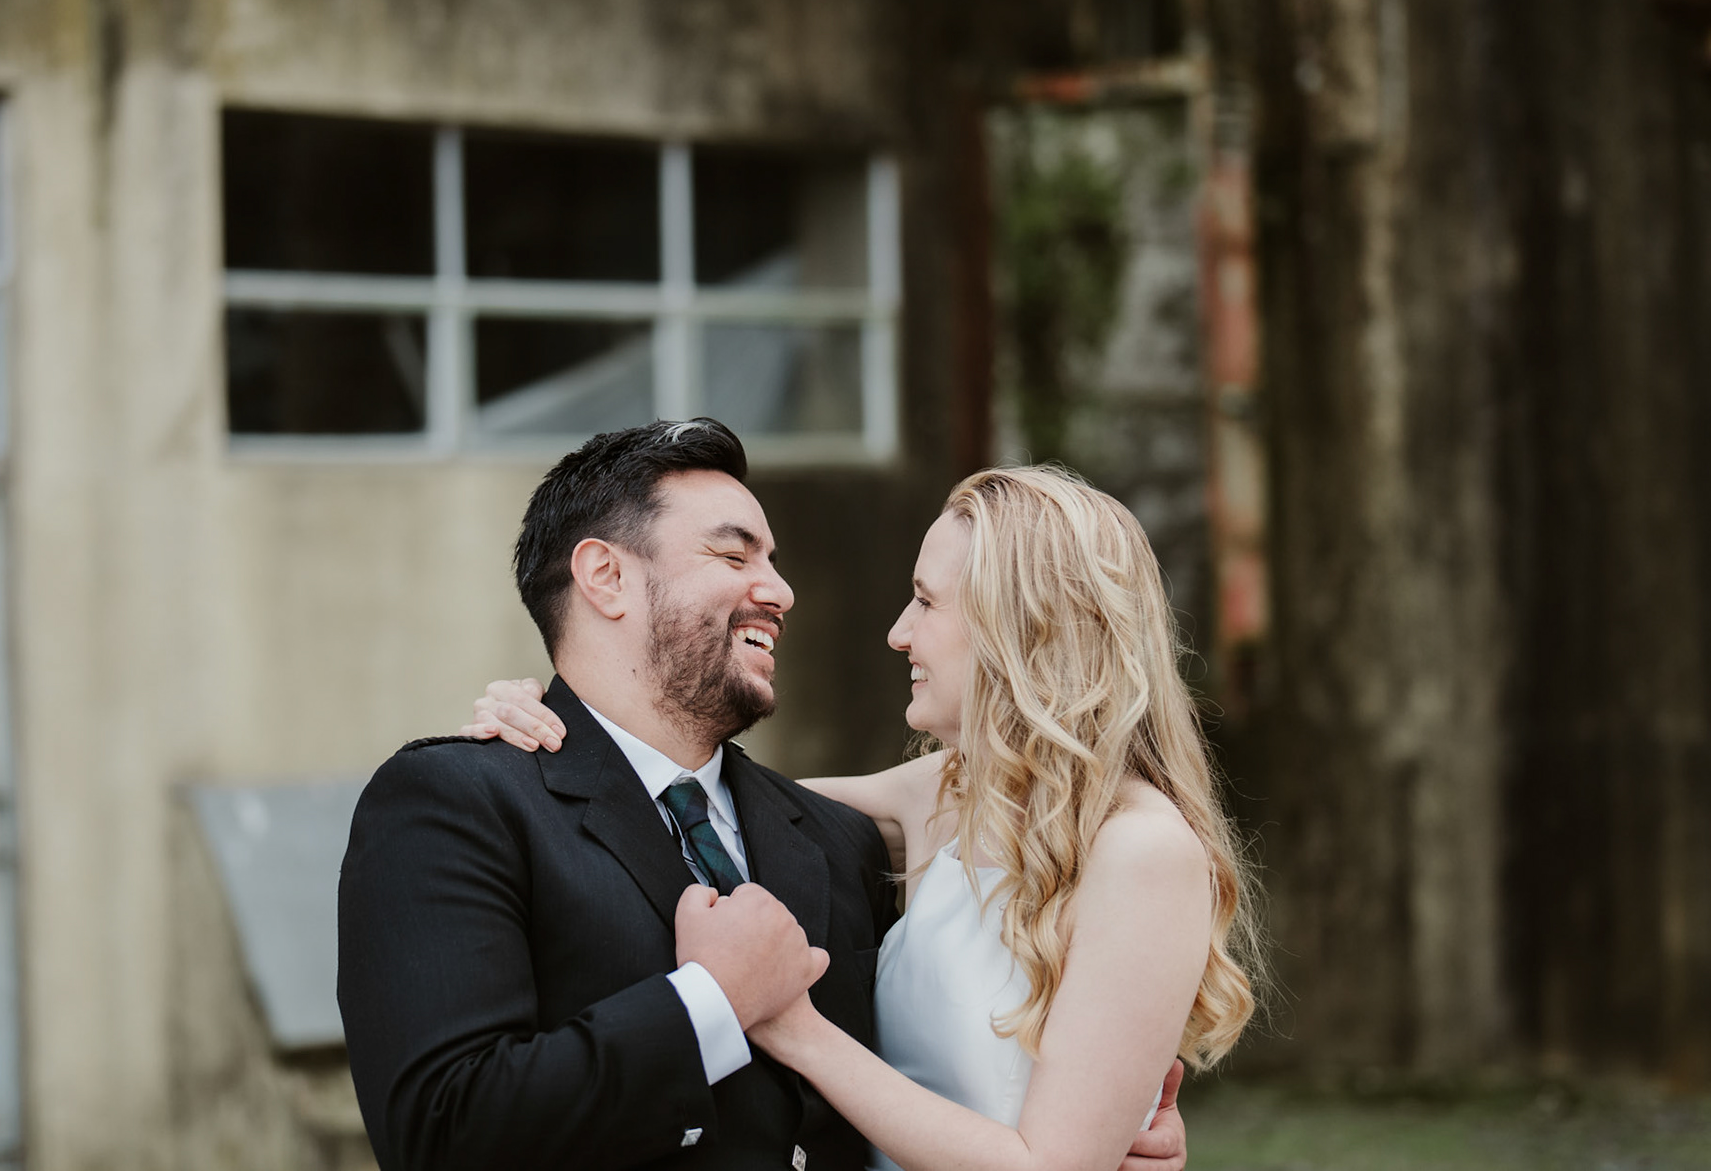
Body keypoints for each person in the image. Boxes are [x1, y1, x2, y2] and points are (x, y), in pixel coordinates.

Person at [339, 419, 1189, 1171]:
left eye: (926, 601)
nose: (781, 591)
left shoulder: (840, 841)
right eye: (734, 554)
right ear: (604, 577)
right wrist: (711, 1002)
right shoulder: (456, 803)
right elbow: (440, 1134)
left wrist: (1108, 1124)